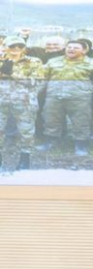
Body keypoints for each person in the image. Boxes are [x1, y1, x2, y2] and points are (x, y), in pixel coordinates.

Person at [42, 40, 93, 156]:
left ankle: (81, 146)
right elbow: (43, 79)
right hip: (54, 97)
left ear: (84, 51)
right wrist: (35, 93)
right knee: (51, 120)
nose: (71, 49)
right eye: (69, 47)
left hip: (80, 99)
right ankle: (50, 142)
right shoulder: (53, 62)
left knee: (81, 122)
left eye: (76, 48)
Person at [0, 36, 44, 169]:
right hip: (1, 100)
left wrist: (12, 75)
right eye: (12, 46)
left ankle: (25, 158)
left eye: (20, 46)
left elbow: (36, 82)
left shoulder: (34, 61)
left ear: (24, 48)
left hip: (24, 102)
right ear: (5, 47)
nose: (16, 49)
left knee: (26, 131)